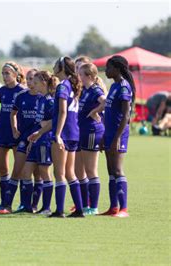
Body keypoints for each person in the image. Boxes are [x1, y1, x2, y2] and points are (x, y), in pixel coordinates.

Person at [3, 68, 43, 214]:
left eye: (33, 79)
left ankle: (33, 206)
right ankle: (9, 205)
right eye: (28, 78)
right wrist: (14, 129)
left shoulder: (43, 97)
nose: (30, 82)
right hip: (23, 138)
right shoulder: (21, 96)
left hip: (39, 139)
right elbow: (12, 113)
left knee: (38, 174)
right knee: (17, 171)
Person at [49, 56, 84, 218]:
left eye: (56, 65)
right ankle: (79, 209)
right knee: (70, 173)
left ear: (62, 68)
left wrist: (57, 134)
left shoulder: (62, 86)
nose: (54, 67)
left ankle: (59, 210)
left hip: (63, 133)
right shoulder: (72, 84)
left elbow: (63, 111)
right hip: (73, 133)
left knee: (59, 173)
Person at [101, 55, 135, 218]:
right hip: (108, 133)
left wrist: (116, 138)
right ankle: (113, 207)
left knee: (117, 169)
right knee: (110, 171)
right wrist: (104, 136)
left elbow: (126, 115)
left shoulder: (123, 87)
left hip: (118, 134)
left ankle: (124, 209)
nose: (106, 70)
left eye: (108, 67)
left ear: (117, 68)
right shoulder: (114, 86)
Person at [0, 61, 27, 214]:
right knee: (2, 169)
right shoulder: (1, 90)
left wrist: (17, 129)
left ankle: (21, 203)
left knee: (18, 170)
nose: (5, 76)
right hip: (2, 131)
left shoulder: (22, 91)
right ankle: (4, 203)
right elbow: (4, 111)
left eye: (7, 73)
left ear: (16, 74)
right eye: (3, 73)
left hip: (16, 133)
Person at [26, 71, 58, 215]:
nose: (33, 84)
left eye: (36, 82)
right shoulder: (41, 99)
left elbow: (54, 120)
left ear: (44, 83)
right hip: (37, 139)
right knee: (26, 172)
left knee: (45, 173)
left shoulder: (50, 100)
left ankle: (46, 207)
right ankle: (28, 206)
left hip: (45, 140)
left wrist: (46, 124)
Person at [77, 63, 106, 215]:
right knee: (81, 170)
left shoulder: (95, 90)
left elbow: (106, 102)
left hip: (92, 132)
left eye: (81, 74)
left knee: (90, 170)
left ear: (88, 76)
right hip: (82, 131)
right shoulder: (85, 91)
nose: (78, 77)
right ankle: (85, 204)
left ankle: (93, 207)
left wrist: (95, 111)